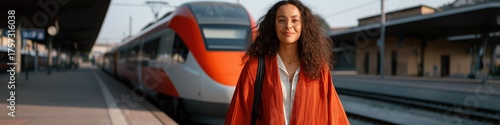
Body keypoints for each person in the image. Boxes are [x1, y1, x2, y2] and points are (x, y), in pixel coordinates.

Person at [225, 0, 349, 125]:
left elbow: (334, 116)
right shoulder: (255, 67)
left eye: (295, 20)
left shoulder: (319, 69)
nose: (288, 25)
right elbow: (238, 114)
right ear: (273, 26)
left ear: (303, 25)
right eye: (281, 20)